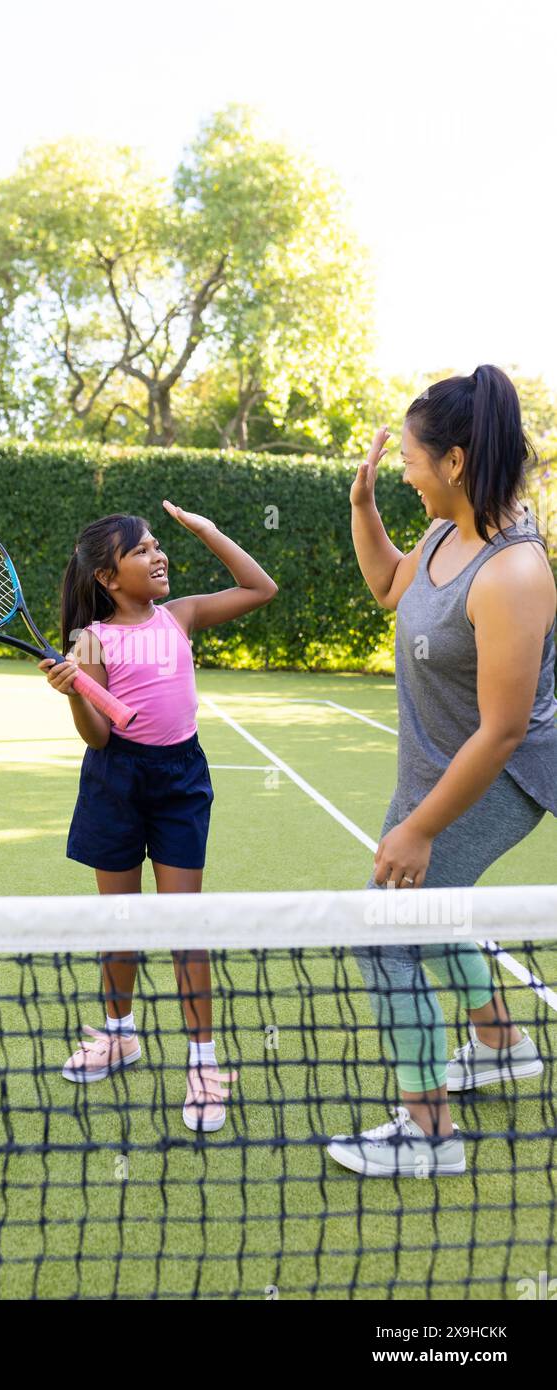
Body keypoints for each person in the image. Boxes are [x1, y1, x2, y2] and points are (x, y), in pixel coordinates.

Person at [329, 364, 557, 1177]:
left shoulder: (512, 573)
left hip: (498, 779)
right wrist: (362, 510)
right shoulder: (440, 534)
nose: (403, 473)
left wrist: (421, 826)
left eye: (413, 462)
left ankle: (427, 1133)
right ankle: (499, 1043)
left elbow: (500, 731)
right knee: (433, 909)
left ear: (454, 462)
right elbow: (391, 585)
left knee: (383, 935)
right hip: (432, 764)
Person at [40, 501, 277, 1132]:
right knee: (121, 922)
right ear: (108, 579)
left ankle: (204, 1063)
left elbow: (260, 587)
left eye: (156, 544)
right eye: (141, 550)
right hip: (115, 780)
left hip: (180, 780)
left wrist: (211, 529)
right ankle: (120, 1034)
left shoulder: (181, 616)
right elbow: (95, 736)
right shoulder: (90, 640)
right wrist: (74, 695)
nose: (158, 554)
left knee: (183, 924)